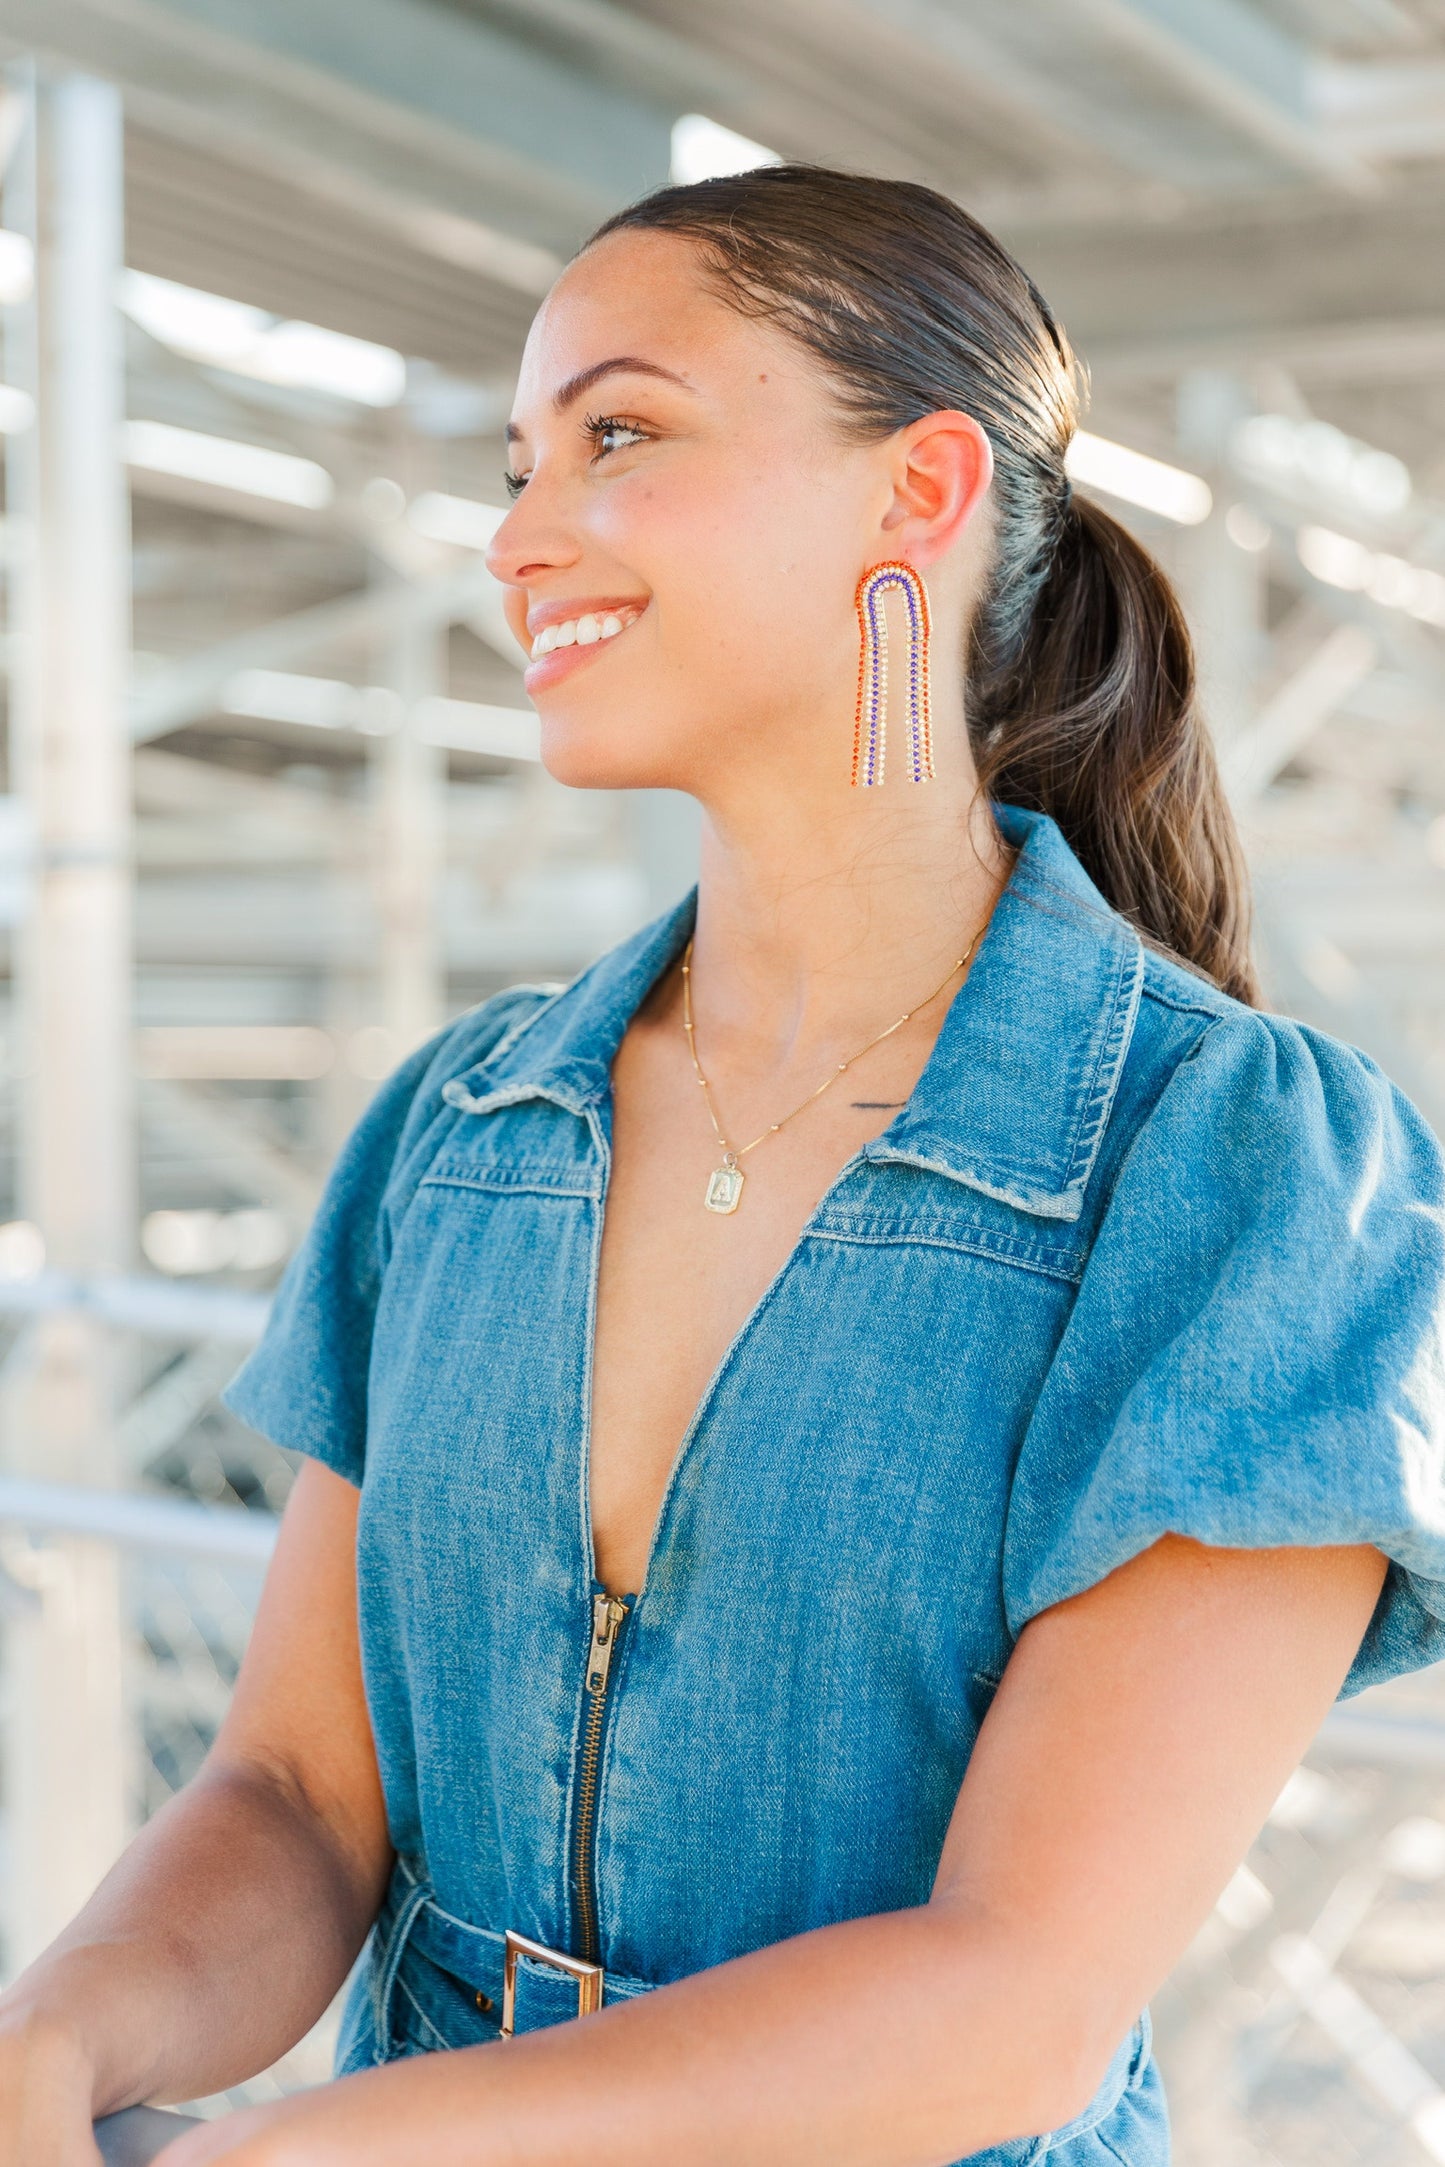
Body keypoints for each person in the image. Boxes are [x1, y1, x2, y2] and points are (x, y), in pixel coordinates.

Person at [2, 164, 1443, 2167]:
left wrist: (326, 2151)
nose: (517, 536)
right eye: (518, 465)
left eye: (619, 435)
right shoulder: (461, 1127)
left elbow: (1012, 1999)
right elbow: (299, 1803)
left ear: (917, 496)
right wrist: (53, 2036)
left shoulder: (1243, 1176)